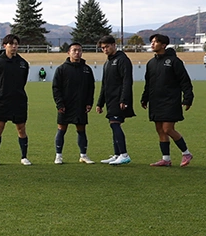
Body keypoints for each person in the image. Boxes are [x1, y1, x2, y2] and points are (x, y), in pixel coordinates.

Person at [141, 33, 195, 167]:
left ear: (163, 45)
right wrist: (144, 97)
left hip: (170, 101)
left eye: (155, 42)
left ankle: (186, 153)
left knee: (167, 129)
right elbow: (148, 83)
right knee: (159, 129)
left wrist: (188, 98)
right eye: (151, 42)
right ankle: (166, 159)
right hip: (155, 101)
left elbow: (185, 81)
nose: (152, 44)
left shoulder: (174, 61)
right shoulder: (151, 63)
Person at [0, 34, 31, 165]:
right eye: (11, 44)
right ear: (4, 45)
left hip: (19, 100)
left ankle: (24, 157)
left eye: (16, 44)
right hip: (2, 100)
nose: (14, 46)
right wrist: (1, 91)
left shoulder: (23, 63)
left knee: (21, 128)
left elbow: (23, 80)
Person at [51, 42, 96, 164]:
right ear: (68, 52)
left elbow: (91, 88)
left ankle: (83, 155)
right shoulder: (61, 69)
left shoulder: (87, 69)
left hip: (80, 105)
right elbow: (56, 88)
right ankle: (58, 156)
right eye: (74, 50)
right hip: (65, 105)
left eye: (79, 50)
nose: (77, 52)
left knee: (81, 130)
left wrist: (89, 103)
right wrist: (59, 104)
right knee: (61, 129)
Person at [96, 35, 135, 165]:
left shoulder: (122, 60)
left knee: (115, 123)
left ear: (114, 45)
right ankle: (117, 154)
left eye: (107, 47)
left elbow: (127, 81)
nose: (105, 50)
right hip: (110, 99)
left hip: (119, 99)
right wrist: (100, 103)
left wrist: (124, 99)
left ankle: (124, 154)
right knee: (113, 124)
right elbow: (104, 84)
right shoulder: (107, 62)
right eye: (102, 48)